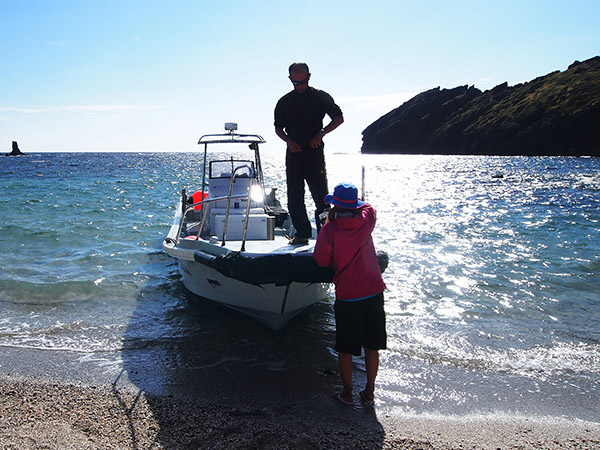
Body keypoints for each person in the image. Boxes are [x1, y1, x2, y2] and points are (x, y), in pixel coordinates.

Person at [313, 182, 387, 406]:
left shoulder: (330, 230)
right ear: (356, 206)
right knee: (371, 345)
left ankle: (347, 393)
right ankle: (369, 391)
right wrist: (360, 204)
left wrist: (329, 222)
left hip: (348, 295)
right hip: (373, 291)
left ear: (334, 206)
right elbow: (370, 209)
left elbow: (321, 260)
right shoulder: (366, 221)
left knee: (346, 348)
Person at [274, 62, 344, 245]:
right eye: (296, 83)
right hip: (294, 153)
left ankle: (325, 236)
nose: (300, 86)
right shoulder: (284, 101)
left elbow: (339, 118)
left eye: (303, 81)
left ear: (309, 77)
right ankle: (302, 233)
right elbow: (278, 128)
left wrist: (321, 133)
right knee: (294, 196)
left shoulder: (320, 97)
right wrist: (289, 141)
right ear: (290, 80)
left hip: (314, 152)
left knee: (321, 196)